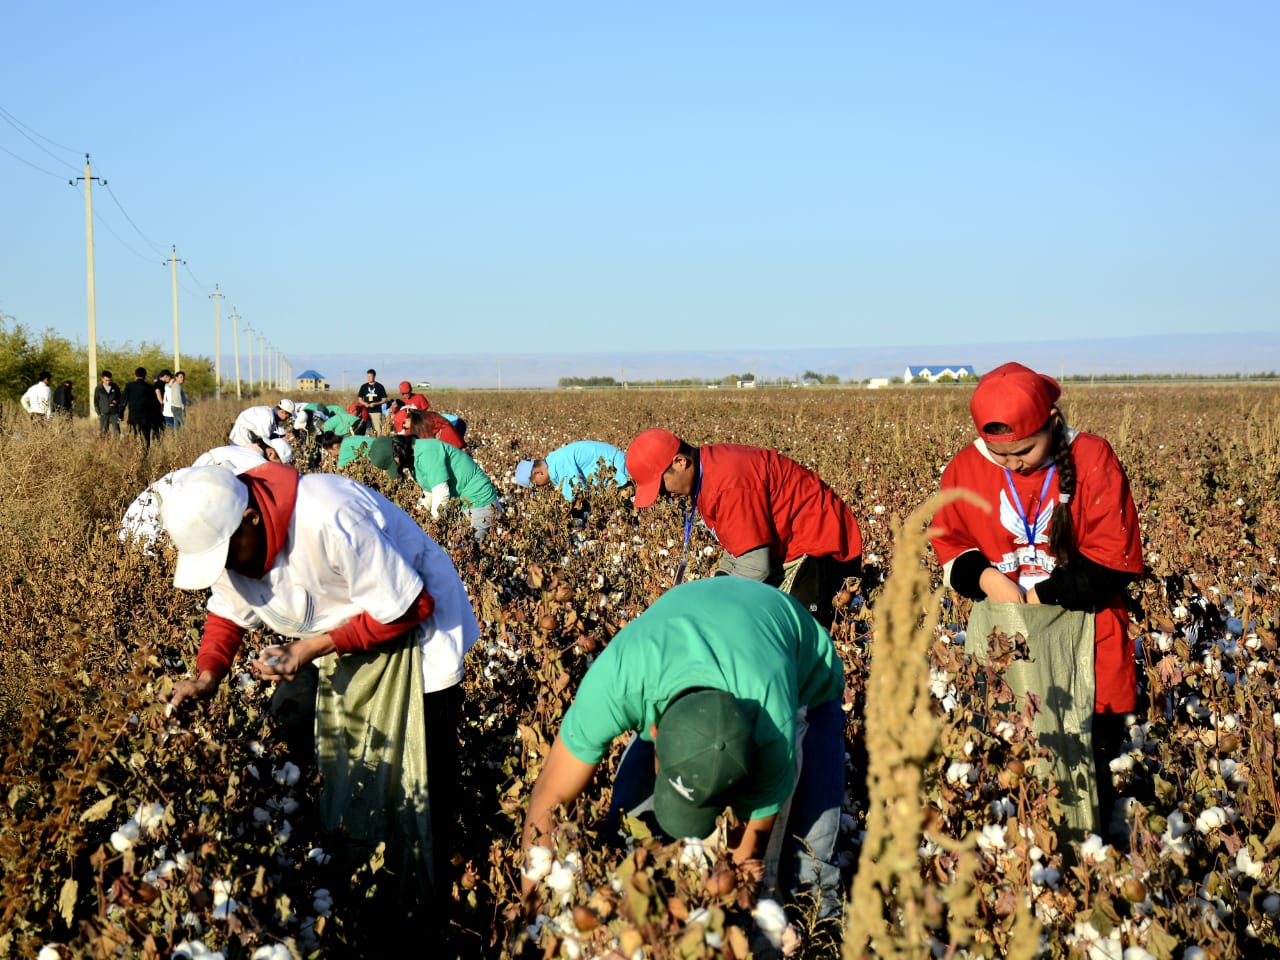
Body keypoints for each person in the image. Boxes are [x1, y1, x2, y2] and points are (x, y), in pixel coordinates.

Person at [159, 463, 480, 918]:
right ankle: (344, 868)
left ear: (250, 517)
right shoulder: (234, 542)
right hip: (336, 639)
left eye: (228, 553)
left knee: (422, 776)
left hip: (418, 638)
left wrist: (309, 649)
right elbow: (228, 611)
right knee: (297, 737)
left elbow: (411, 605)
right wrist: (207, 675)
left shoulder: (329, 516)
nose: (228, 565)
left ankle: (425, 900)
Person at [521, 576, 845, 918]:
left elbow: (743, 860)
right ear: (654, 732)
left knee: (809, 870)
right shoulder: (619, 680)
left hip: (807, 682)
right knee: (628, 836)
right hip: (690, 643)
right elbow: (549, 800)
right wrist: (535, 918)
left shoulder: (772, 735)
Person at [929, 362, 1143, 839]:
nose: (1013, 464)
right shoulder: (966, 467)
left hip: (1090, 641)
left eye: (1024, 451)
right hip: (1010, 644)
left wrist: (1039, 592)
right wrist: (988, 579)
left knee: (1091, 767)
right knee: (1014, 761)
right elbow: (949, 543)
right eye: (999, 454)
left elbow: (1114, 561)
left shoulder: (1091, 458)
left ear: (1052, 423)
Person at [625, 428, 863, 627]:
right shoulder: (707, 472)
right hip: (789, 543)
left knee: (802, 636)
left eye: (662, 487)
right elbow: (738, 544)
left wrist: (711, 607)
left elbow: (756, 567)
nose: (664, 495)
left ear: (680, 462)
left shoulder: (727, 485)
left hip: (823, 545)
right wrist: (716, 585)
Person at [368, 435, 499, 541]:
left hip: (480, 502)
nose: (400, 468)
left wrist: (433, 528)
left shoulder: (427, 452)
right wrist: (417, 514)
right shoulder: (413, 461)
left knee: (465, 547)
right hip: (462, 505)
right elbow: (429, 493)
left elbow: (441, 493)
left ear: (398, 451)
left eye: (395, 464)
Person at [515, 440, 630, 502]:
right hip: (616, 466)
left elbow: (577, 495)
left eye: (537, 484)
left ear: (538, 473)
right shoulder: (554, 460)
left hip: (620, 469)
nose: (540, 487)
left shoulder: (558, 466)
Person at [229, 399, 296, 448]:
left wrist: (282, 436)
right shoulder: (267, 417)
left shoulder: (271, 414)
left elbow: (268, 435)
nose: (288, 418)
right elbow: (264, 439)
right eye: (289, 416)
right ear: (283, 412)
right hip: (242, 434)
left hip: (246, 433)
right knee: (238, 455)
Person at [395, 407, 464, 449]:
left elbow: (427, 444)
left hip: (448, 439)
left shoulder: (420, 423)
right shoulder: (417, 417)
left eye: (403, 426)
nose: (404, 428)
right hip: (446, 436)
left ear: (406, 420)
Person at [122, 367, 156, 450]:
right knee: (146, 437)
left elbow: (123, 401)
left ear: (135, 376)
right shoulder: (149, 387)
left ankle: (134, 455)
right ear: (145, 376)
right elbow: (153, 403)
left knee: (133, 436)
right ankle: (145, 455)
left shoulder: (129, 386)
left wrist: (120, 413)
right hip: (146, 417)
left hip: (133, 416)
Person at [356, 369, 388, 434]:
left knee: (377, 429)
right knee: (366, 430)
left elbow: (384, 399)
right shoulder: (363, 386)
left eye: (370, 376)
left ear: (374, 376)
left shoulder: (380, 386)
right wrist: (365, 404)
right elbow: (359, 399)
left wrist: (376, 403)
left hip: (376, 411)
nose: (369, 378)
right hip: (365, 411)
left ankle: (378, 442)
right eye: (368, 376)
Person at [94, 371, 123, 436]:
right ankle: (104, 445)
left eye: (109, 380)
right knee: (103, 433)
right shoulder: (98, 388)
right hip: (103, 413)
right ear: (102, 379)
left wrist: (116, 402)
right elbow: (96, 402)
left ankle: (117, 445)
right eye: (106, 380)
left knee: (117, 432)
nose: (108, 382)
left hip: (114, 413)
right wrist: (98, 413)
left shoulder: (115, 387)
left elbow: (120, 398)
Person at [150, 371, 171, 436]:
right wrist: (162, 403)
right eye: (169, 377)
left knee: (157, 426)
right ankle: (158, 440)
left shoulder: (157, 383)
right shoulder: (160, 383)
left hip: (153, 408)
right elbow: (157, 391)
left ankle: (157, 440)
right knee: (159, 426)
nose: (170, 379)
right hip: (157, 408)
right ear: (165, 376)